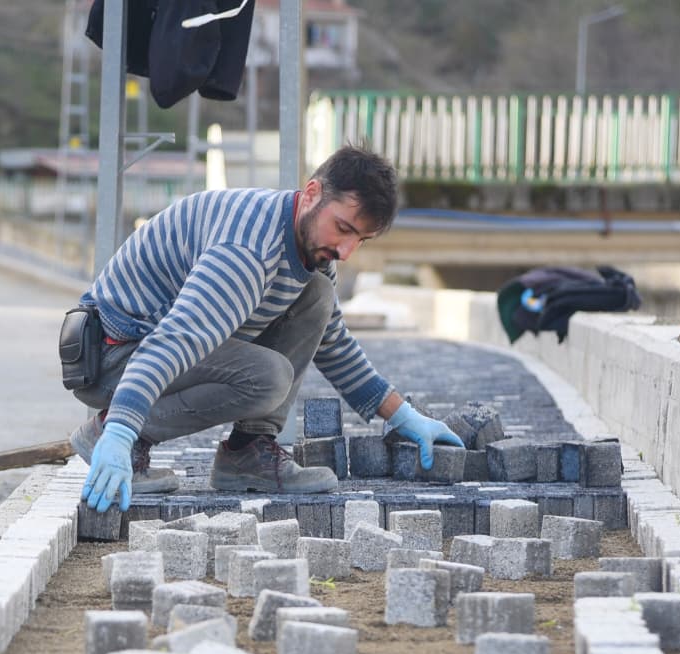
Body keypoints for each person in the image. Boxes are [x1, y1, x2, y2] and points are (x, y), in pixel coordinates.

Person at [66, 144, 464, 513]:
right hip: (113, 355)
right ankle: (112, 435)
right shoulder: (247, 253)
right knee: (267, 377)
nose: (347, 251)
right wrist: (120, 430)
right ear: (311, 194)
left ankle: (248, 452)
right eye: (343, 229)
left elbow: (334, 343)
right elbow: (174, 342)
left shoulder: (312, 248)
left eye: (362, 239)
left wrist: (403, 416)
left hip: (144, 348)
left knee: (318, 297)